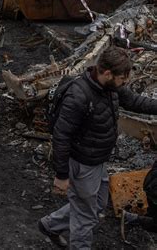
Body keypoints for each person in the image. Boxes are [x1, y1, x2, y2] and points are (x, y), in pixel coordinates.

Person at [39, 46, 157, 249]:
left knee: (97, 204)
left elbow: (135, 102)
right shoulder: (78, 96)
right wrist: (61, 175)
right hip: (82, 163)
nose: (125, 83)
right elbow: (61, 135)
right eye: (122, 78)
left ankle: (50, 225)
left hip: (98, 160)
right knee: (85, 217)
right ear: (107, 73)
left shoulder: (111, 87)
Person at [121, 160, 157, 237]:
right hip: (153, 189)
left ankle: (134, 218)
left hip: (151, 185)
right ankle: (133, 219)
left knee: (152, 212)